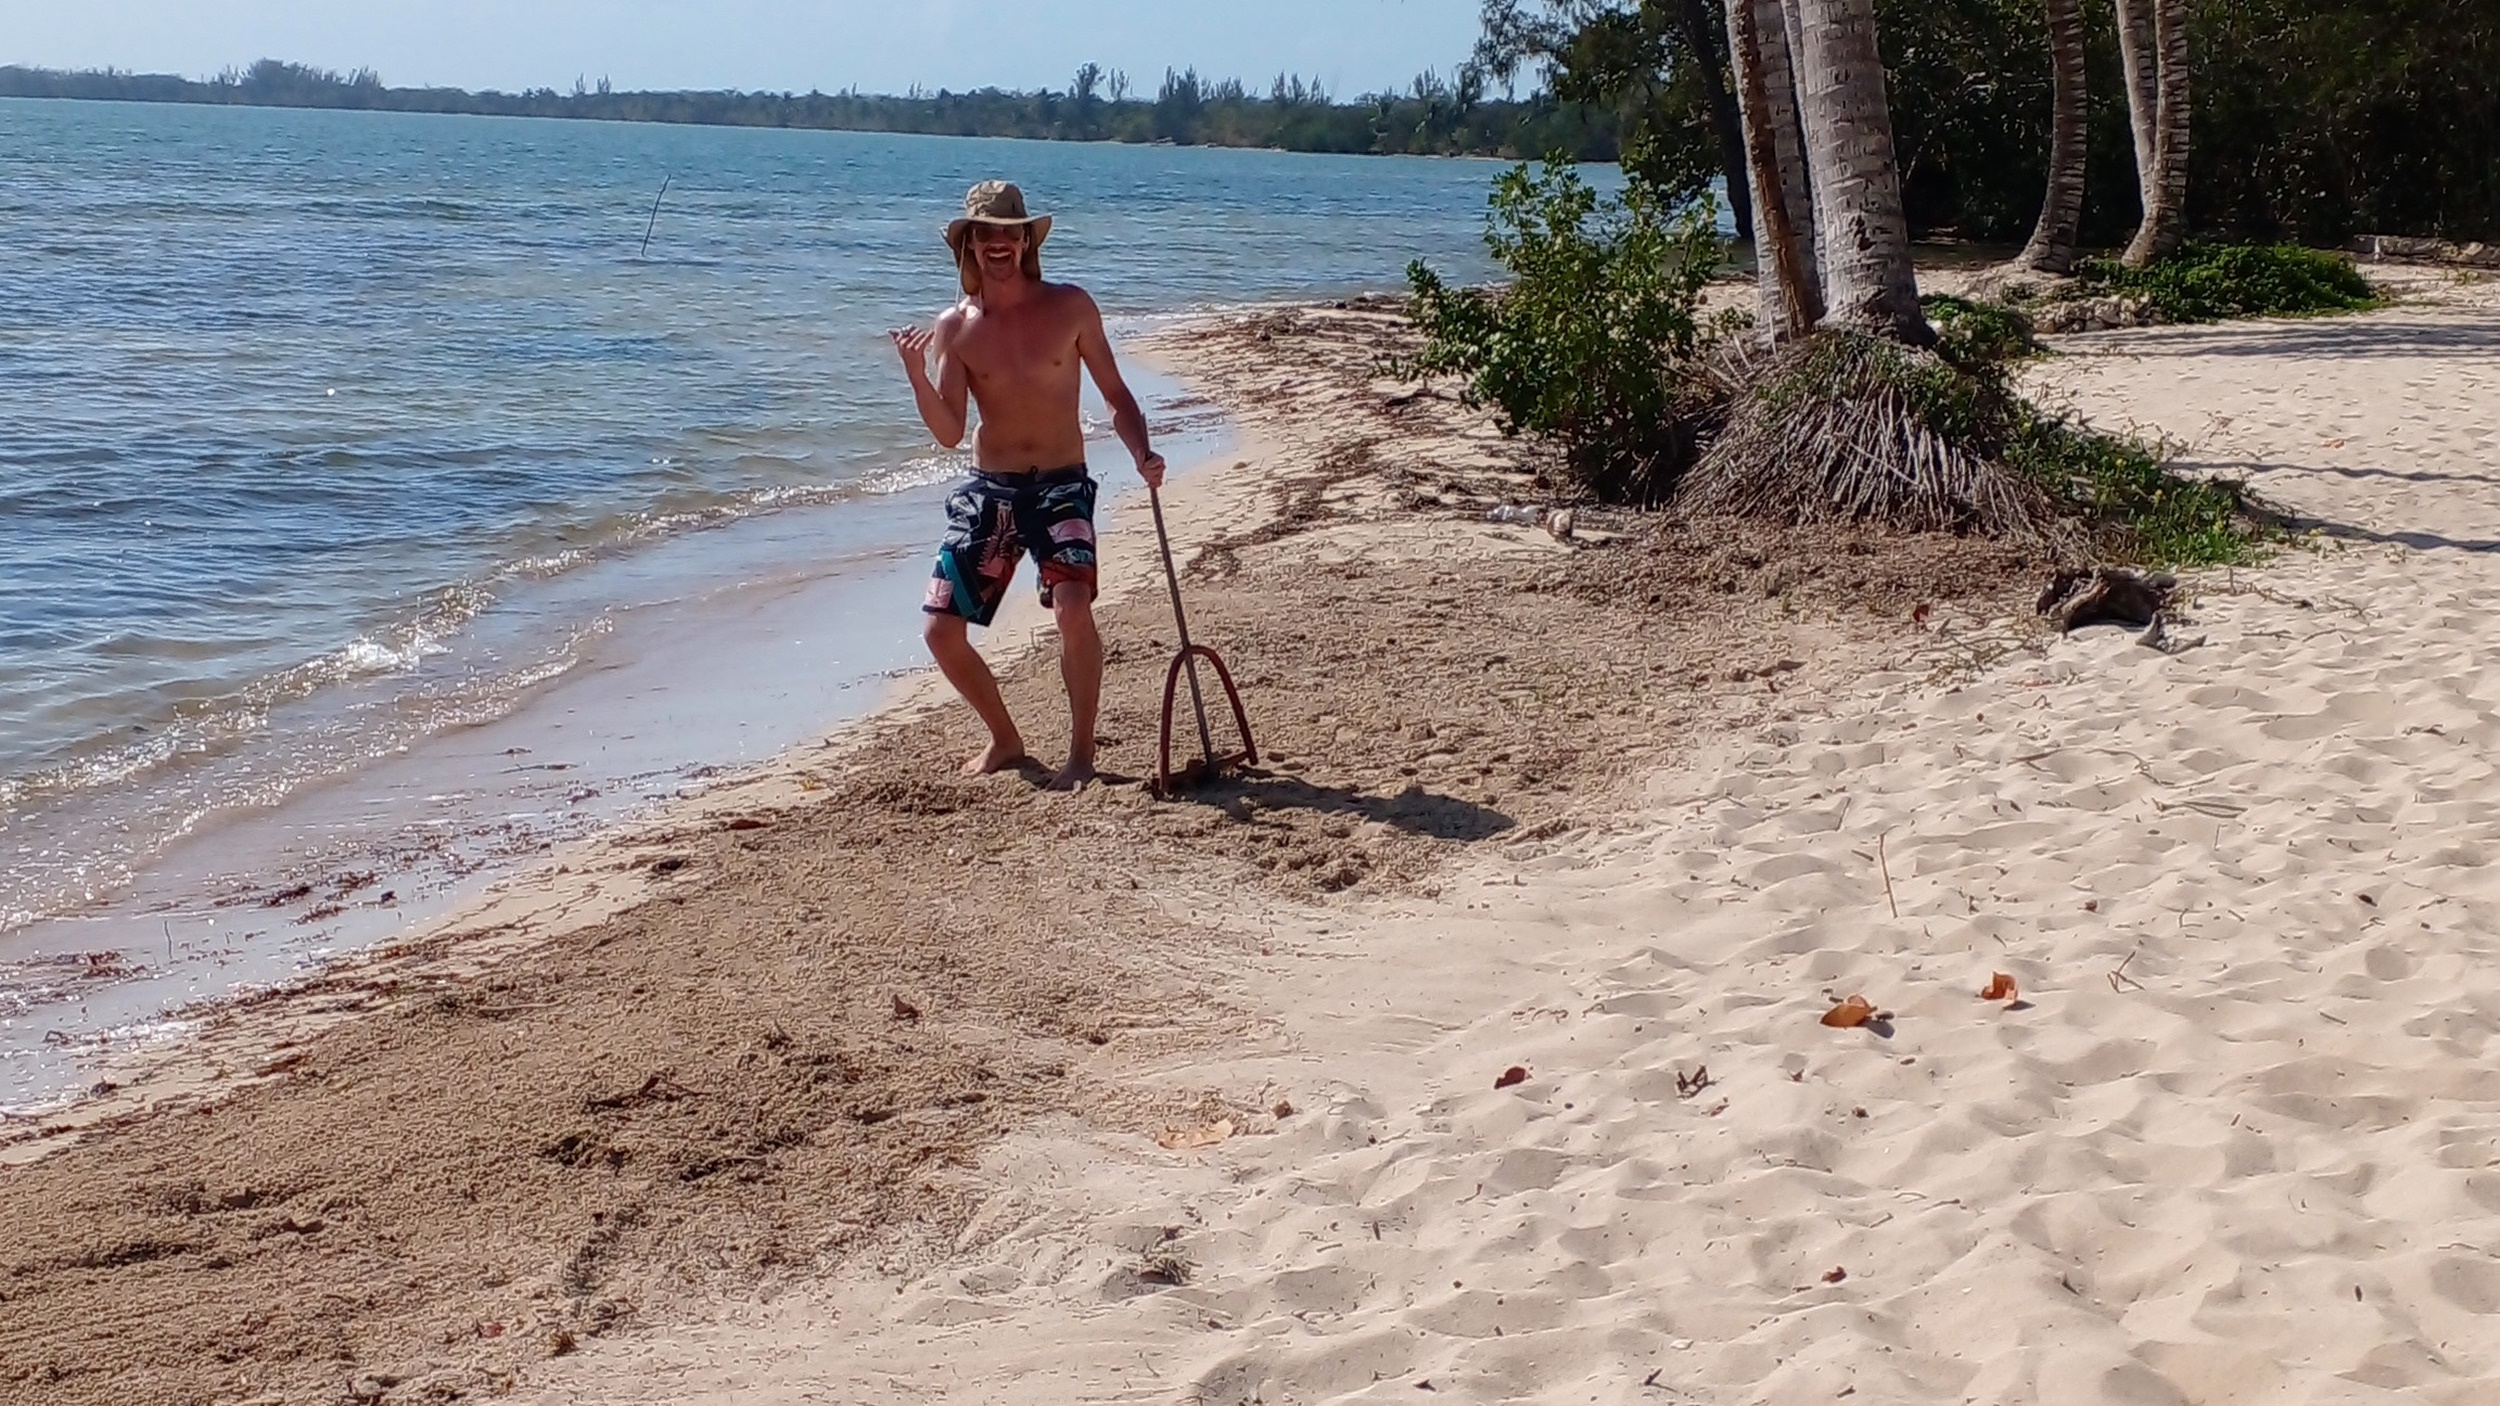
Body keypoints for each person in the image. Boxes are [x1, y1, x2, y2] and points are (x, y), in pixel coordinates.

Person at [888, 181, 1166, 790]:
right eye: (986, 233)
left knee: (1073, 609)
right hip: (991, 492)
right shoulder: (954, 328)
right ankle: (1005, 740)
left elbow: (1117, 396)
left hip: (1062, 486)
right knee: (940, 630)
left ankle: (1082, 755)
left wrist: (1141, 451)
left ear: (1025, 243)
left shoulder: (1071, 307)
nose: (998, 243)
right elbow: (949, 431)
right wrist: (916, 376)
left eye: (1009, 233)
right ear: (969, 244)